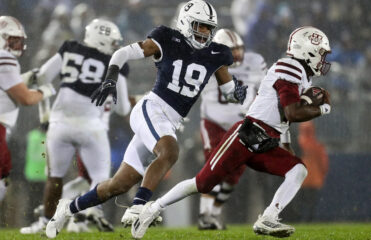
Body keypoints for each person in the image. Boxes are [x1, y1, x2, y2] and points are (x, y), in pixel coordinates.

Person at [45, 0, 248, 238]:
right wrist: (110, 78)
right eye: (199, 26)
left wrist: (237, 93)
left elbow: (228, 91)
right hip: (151, 109)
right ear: (185, 22)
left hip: (169, 121)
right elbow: (122, 53)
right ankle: (138, 206)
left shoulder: (216, 53)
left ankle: (67, 208)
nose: (204, 32)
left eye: (208, 28)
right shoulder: (167, 38)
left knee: (118, 185)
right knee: (170, 151)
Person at [131, 26, 333, 239]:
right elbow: (292, 111)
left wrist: (286, 144)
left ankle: (268, 218)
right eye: (320, 53)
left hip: (266, 142)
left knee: (298, 170)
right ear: (307, 51)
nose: (322, 60)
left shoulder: (299, 74)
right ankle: (152, 209)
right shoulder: (290, 68)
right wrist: (321, 109)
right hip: (246, 136)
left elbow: (283, 115)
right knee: (202, 183)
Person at [19, 19, 131, 234]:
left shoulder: (71, 48)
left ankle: (45, 221)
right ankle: (85, 214)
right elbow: (123, 108)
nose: (116, 47)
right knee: (100, 177)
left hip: (60, 123)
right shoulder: (115, 62)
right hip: (91, 126)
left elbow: (42, 76)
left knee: (55, 177)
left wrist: (30, 80)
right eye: (114, 42)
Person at [198, 28, 266, 230]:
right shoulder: (208, 62)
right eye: (231, 50)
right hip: (214, 122)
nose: (237, 54)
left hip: (242, 126)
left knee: (235, 174)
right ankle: (205, 215)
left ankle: (215, 213)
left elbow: (266, 90)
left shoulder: (255, 62)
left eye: (239, 49)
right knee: (213, 168)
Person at [0, 15, 55, 202]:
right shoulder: (5, 58)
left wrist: (25, 78)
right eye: (13, 40)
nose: (17, 45)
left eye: (18, 41)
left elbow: (7, 86)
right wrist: (43, 91)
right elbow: (25, 98)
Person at [296, 121, 329, 222]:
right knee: (311, 203)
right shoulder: (317, 145)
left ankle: (300, 219)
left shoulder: (297, 144)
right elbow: (323, 162)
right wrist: (322, 175)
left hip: (300, 179)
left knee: (299, 202)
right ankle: (309, 220)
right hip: (314, 178)